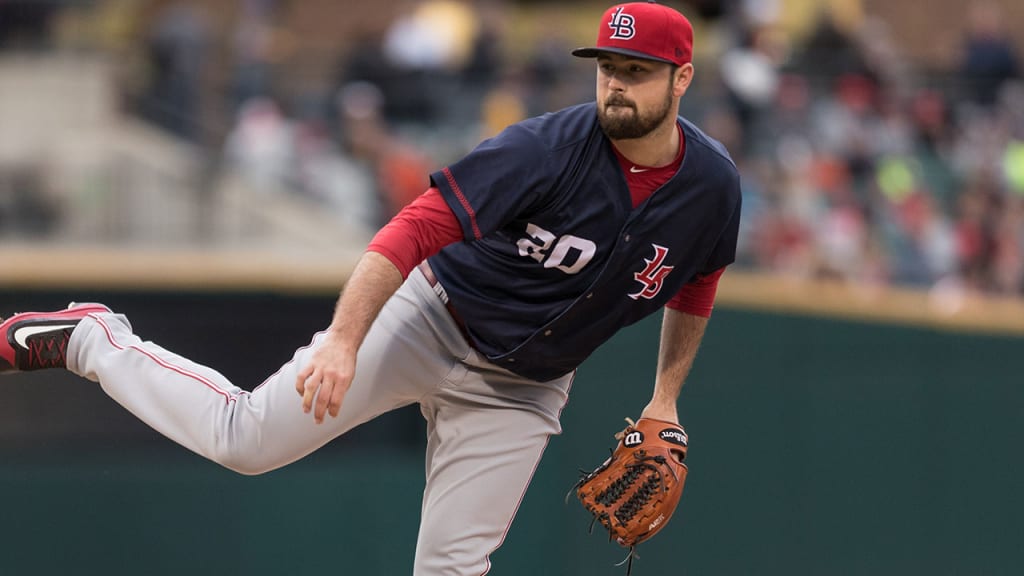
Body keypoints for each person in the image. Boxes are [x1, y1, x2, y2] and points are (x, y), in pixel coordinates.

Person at [0, 2, 741, 574]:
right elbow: (408, 231)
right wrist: (346, 342)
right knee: (247, 439)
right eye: (607, 66)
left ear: (682, 79)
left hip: (522, 388)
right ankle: (96, 340)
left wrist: (665, 399)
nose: (616, 83)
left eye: (636, 70)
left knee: (452, 568)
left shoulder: (711, 187)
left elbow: (698, 281)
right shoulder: (544, 148)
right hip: (427, 321)